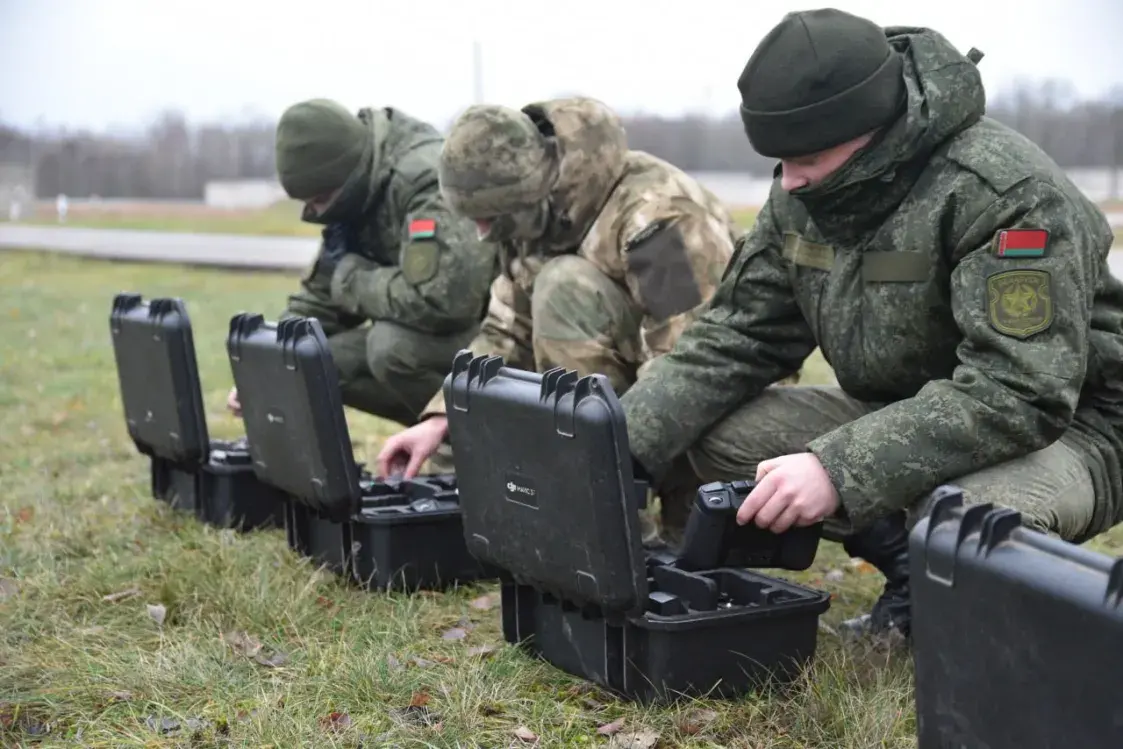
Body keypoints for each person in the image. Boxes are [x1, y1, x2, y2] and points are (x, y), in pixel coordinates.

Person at [614, 9, 1123, 642]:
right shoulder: (803, 196)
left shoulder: (1005, 194)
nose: (788, 180)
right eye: (779, 158)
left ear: (877, 132)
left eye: (808, 157)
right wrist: (620, 444)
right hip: (908, 407)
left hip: (1075, 428)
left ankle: (1013, 624)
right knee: (718, 437)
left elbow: (1023, 392)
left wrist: (839, 469)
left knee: (962, 518)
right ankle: (913, 571)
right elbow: (735, 337)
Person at [375, 95, 765, 544]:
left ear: (527, 195)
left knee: (563, 287)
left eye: (489, 218)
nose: (482, 233)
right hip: (643, 399)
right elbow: (505, 329)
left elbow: (692, 357)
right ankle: (600, 511)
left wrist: (615, 473)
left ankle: (618, 518)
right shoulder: (530, 217)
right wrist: (442, 418)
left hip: (712, 401)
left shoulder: (653, 215)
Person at [225, 99, 499, 468]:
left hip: (499, 345)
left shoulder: (424, 178)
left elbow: (445, 302)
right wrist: (267, 369)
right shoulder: (356, 187)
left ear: (350, 175)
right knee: (314, 362)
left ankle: (479, 451)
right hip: (451, 347)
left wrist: (353, 281)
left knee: (390, 347)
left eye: (322, 200)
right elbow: (320, 298)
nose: (318, 213)